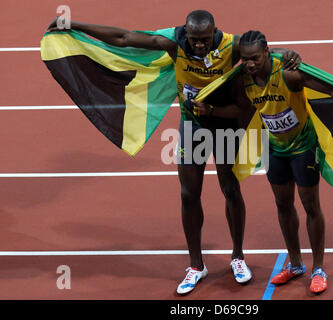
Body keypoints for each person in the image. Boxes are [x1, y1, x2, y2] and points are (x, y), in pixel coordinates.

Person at [46, 11, 302, 295]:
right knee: (188, 194)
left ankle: (238, 257)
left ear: (215, 32)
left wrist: (287, 53)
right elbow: (124, 37)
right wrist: (75, 24)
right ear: (187, 34)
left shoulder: (232, 45)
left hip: (226, 123)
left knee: (230, 189)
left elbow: (263, 53)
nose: (200, 46)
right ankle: (196, 266)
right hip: (193, 127)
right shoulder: (175, 44)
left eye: (205, 40)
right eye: (195, 40)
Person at [193, 30, 333, 294]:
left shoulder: (288, 73)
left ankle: (318, 268)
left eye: (255, 58)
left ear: (267, 52)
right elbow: (243, 109)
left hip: (303, 146)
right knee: (283, 204)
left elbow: (328, 88)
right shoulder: (243, 80)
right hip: (275, 148)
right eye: (244, 59)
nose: (250, 64)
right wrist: (211, 111)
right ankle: (295, 264)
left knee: (310, 204)